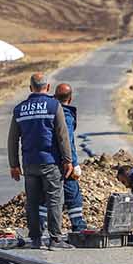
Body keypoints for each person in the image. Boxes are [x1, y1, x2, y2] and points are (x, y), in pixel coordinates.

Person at [7, 72, 75, 250]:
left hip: (29, 163)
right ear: (48, 87)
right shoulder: (54, 106)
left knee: (33, 201)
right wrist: (68, 160)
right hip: (51, 162)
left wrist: (14, 164)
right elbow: (62, 135)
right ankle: (55, 239)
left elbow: (13, 139)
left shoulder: (20, 109)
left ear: (30, 88)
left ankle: (35, 239)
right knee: (54, 199)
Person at [41, 82, 86, 233]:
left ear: (54, 96)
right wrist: (73, 163)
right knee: (73, 195)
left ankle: (39, 227)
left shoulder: (48, 111)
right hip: (63, 163)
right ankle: (78, 227)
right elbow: (67, 142)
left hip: (47, 161)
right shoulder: (65, 115)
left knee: (45, 195)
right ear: (70, 98)